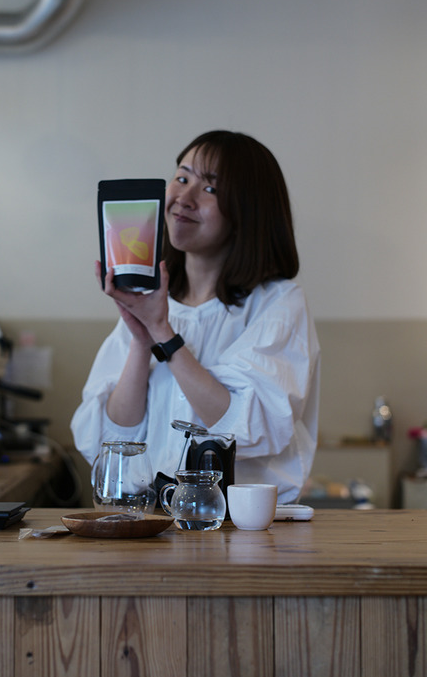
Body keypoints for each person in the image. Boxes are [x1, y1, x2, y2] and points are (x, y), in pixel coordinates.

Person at [71, 130, 320, 503]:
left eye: (210, 188)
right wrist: (142, 339)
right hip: (149, 521)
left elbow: (249, 429)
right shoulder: (154, 300)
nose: (183, 199)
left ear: (248, 210)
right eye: (182, 178)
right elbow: (114, 438)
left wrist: (162, 332)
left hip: (241, 527)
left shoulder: (277, 303)